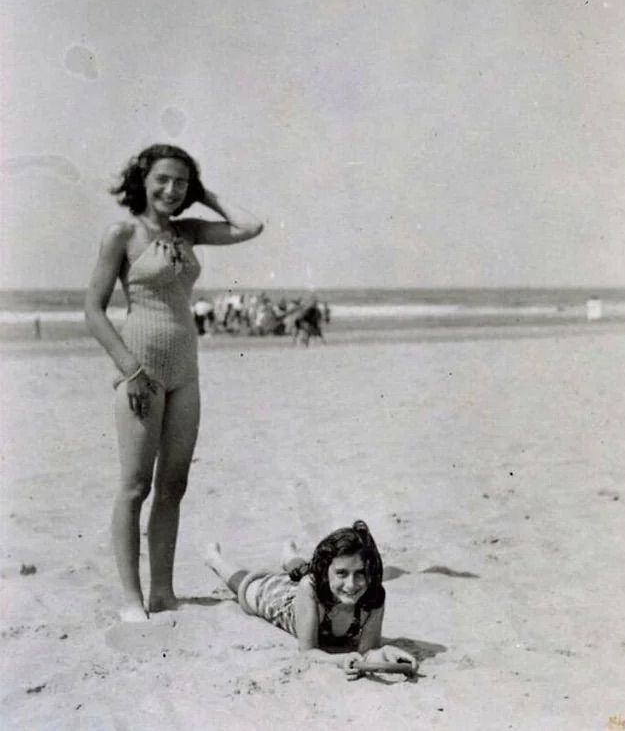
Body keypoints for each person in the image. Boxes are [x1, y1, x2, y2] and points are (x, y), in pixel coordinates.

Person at [85, 144, 263, 622]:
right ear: (142, 179)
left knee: (174, 484)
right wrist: (130, 370)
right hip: (140, 368)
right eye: (163, 179)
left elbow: (251, 226)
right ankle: (131, 599)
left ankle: (163, 593)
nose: (171, 189)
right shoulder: (122, 233)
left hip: (187, 369)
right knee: (134, 486)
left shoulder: (188, 231)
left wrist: (206, 194)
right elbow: (93, 311)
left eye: (182, 182)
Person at [205, 520, 418, 679]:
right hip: (287, 603)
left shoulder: (374, 596)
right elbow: (308, 653)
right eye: (342, 573)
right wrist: (339, 660)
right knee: (251, 587)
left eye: (360, 573)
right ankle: (215, 560)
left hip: (320, 583)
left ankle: (289, 556)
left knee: (304, 570)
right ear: (326, 572)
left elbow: (367, 652)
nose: (352, 584)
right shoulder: (312, 586)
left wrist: (385, 653)